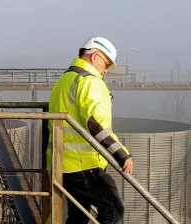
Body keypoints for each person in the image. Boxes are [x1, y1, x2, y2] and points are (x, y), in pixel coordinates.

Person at [47, 37, 134, 223]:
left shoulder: (65, 79)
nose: (106, 71)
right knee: (113, 208)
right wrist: (122, 154)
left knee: (79, 216)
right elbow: (95, 124)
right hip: (82, 164)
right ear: (95, 57)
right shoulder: (90, 81)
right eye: (106, 64)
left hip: (61, 162)